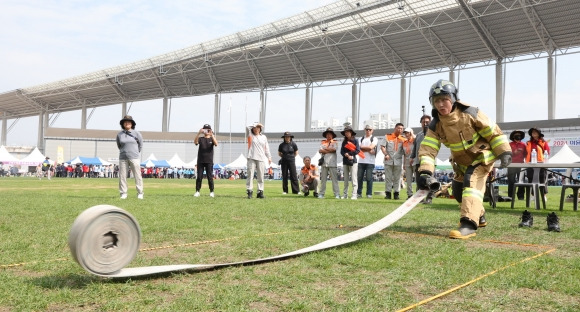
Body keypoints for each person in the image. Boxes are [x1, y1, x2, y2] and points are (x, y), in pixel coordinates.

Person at [417, 79, 511, 239]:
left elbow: (493, 132)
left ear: (453, 99)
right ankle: (479, 216)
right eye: (436, 101)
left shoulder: (471, 113)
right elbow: (428, 149)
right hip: (461, 162)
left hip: (482, 157)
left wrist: (504, 152)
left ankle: (468, 224)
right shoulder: (436, 125)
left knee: (471, 183)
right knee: (458, 190)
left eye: (444, 99)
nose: (441, 104)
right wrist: (425, 171)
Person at [116, 115, 144, 199]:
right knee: (122, 176)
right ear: (123, 124)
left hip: (134, 157)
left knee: (137, 175)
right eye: (125, 122)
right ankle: (123, 193)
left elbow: (141, 145)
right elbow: (119, 145)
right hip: (123, 157)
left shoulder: (137, 133)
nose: (127, 123)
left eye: (128, 122)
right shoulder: (119, 134)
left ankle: (140, 192)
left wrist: (135, 152)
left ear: (132, 124)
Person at [246, 122, 272, 199]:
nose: (256, 129)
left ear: (260, 129)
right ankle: (249, 191)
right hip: (251, 157)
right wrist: (255, 124)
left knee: (261, 176)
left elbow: (266, 148)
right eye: (255, 128)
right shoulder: (250, 135)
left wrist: (269, 157)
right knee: (250, 175)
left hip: (261, 158)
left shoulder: (263, 137)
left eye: (258, 127)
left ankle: (260, 192)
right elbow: (247, 127)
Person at [410, 115, 433, 203]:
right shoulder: (418, 135)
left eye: (427, 122)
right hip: (418, 161)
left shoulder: (433, 134)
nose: (425, 124)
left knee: (430, 180)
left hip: (429, 161)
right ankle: (420, 198)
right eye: (423, 122)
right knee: (419, 180)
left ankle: (429, 198)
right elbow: (415, 148)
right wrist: (412, 157)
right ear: (421, 123)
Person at [381, 122, 406, 199]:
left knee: (397, 178)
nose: (400, 130)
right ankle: (388, 193)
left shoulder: (403, 139)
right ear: (395, 128)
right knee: (388, 178)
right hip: (388, 160)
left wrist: (405, 163)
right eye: (398, 128)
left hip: (398, 161)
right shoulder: (387, 136)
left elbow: (405, 151)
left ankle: (396, 193)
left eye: (401, 129)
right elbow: (382, 147)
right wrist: (386, 154)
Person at [194, 124, 218, 198]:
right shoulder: (201, 139)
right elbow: (195, 142)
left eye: (208, 129)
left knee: (210, 177)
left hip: (209, 161)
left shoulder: (211, 139)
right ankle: (197, 191)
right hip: (200, 160)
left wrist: (212, 135)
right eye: (205, 129)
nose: (206, 131)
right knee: (199, 177)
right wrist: (198, 133)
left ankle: (211, 191)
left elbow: (216, 144)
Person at [526, 127, 550, 199]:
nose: (534, 133)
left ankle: (544, 195)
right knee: (530, 179)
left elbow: (547, 152)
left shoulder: (544, 142)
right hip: (530, 163)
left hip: (541, 163)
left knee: (542, 179)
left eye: (535, 132)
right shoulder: (528, 143)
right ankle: (533, 195)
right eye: (532, 132)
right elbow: (525, 152)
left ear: (539, 134)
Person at [318, 127, 340, 199]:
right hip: (324, 163)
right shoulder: (323, 142)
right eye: (327, 134)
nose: (329, 135)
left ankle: (337, 194)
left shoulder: (335, 142)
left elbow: (334, 149)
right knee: (323, 180)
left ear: (332, 135)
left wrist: (325, 149)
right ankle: (321, 193)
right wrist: (329, 150)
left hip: (332, 163)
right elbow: (320, 151)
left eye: (330, 134)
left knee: (334, 179)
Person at [357, 125, 379, 198]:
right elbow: (359, 148)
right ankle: (359, 193)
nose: (368, 131)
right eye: (367, 129)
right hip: (361, 160)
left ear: (372, 130)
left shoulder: (374, 138)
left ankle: (369, 193)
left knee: (369, 178)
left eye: (370, 129)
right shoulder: (360, 138)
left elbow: (371, 147)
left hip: (370, 161)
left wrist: (365, 148)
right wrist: (369, 149)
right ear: (365, 130)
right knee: (359, 178)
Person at [340, 126, 360, 200]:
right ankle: (345, 195)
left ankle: (354, 194)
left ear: (351, 132)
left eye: (348, 132)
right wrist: (345, 154)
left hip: (353, 161)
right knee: (345, 179)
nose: (346, 133)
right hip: (345, 161)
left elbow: (358, 150)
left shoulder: (355, 140)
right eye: (345, 132)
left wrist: (350, 154)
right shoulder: (344, 142)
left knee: (354, 179)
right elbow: (341, 151)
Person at [507, 130, 527, 200]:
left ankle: (521, 196)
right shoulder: (509, 144)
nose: (518, 135)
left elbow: (526, 154)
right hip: (511, 164)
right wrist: (514, 153)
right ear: (513, 136)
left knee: (521, 181)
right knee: (511, 180)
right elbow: (507, 154)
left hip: (521, 164)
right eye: (516, 134)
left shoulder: (524, 145)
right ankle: (510, 196)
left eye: (519, 134)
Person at [401, 127, 415, 199]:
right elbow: (404, 154)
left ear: (411, 133)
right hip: (407, 161)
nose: (406, 134)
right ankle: (409, 194)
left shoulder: (415, 140)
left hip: (415, 161)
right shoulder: (404, 143)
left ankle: (418, 195)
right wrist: (404, 164)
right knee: (408, 179)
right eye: (405, 133)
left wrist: (413, 134)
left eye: (408, 132)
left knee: (417, 178)